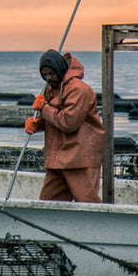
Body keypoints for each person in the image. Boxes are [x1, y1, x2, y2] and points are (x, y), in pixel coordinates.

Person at [25, 49, 105, 203]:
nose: (49, 78)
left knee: (87, 203)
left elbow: (68, 122)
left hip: (80, 159)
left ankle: (96, 227)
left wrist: (44, 108)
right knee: (49, 203)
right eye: (45, 75)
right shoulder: (50, 88)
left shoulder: (80, 90)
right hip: (57, 160)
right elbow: (53, 116)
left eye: (51, 73)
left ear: (60, 69)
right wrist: (38, 123)